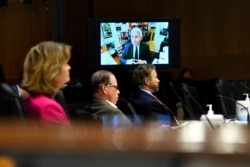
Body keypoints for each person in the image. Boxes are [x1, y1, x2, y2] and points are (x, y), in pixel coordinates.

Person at [21, 41, 71, 126]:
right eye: (65, 63)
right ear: (52, 70)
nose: (69, 67)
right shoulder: (48, 107)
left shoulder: (34, 99)